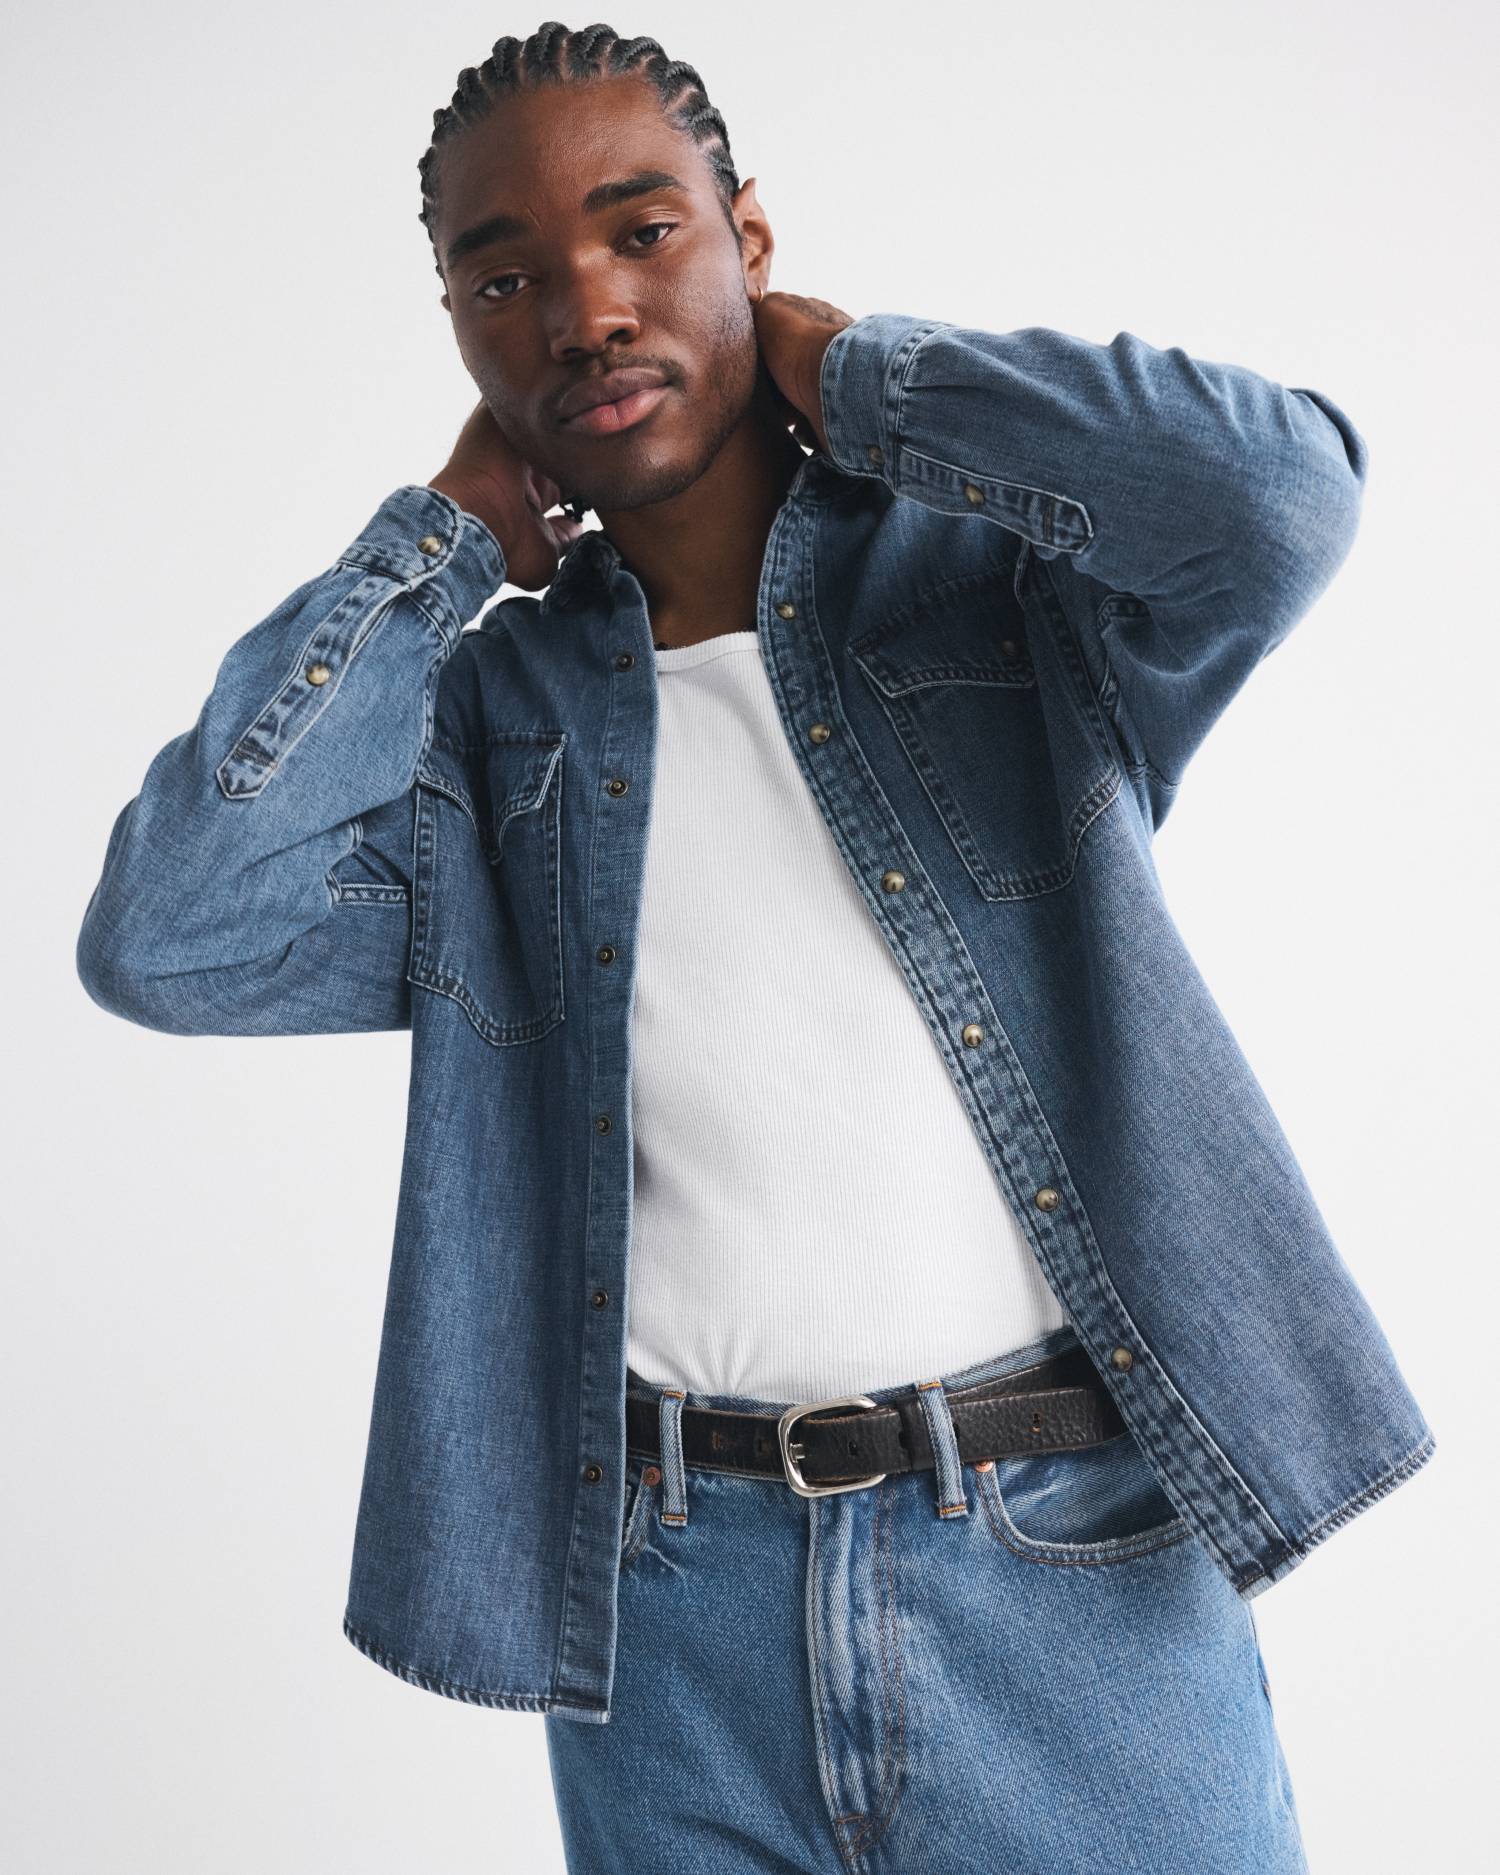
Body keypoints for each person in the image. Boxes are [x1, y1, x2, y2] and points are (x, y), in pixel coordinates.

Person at [75, 18, 1435, 1872]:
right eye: (502, 277)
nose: (585, 310)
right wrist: (439, 549)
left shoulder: (1000, 603)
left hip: (1069, 1577)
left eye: (644, 232)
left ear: (751, 239)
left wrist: (878, 386)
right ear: (459, 331)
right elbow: (166, 934)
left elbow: (1277, 504)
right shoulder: (487, 741)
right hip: (670, 1624)